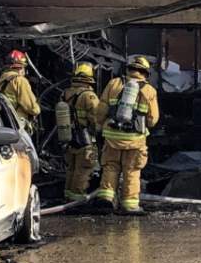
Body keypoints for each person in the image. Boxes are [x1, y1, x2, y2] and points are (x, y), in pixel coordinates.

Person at [93, 55, 160, 213]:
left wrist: (100, 124)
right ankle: (130, 205)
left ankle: (106, 198)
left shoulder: (114, 83)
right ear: (145, 73)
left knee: (110, 167)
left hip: (112, 137)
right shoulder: (149, 90)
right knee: (132, 171)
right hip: (135, 140)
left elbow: (101, 109)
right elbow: (153, 119)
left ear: (129, 69)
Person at [59, 62, 101, 202]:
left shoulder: (65, 93)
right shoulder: (89, 96)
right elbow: (96, 117)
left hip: (68, 137)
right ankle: (77, 199)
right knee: (83, 169)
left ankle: (68, 195)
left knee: (71, 169)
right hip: (85, 139)